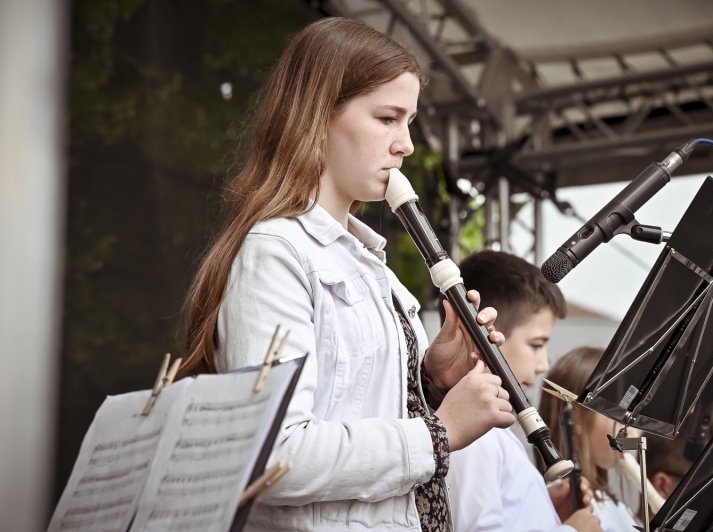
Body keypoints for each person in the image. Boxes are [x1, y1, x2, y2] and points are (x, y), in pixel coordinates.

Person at [178, 17, 514, 532]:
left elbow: (357, 406)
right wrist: (439, 432)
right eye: (387, 118)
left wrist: (431, 379)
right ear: (318, 116)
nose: (405, 144)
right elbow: (275, 459)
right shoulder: (277, 253)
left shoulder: (367, 261)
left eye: (410, 122)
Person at [444, 250, 602, 532]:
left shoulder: (493, 432)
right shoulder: (472, 436)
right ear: (490, 333)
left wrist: (545, 507)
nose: (543, 364)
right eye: (536, 344)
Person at [540, 347, 640, 532]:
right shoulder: (564, 503)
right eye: (621, 419)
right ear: (576, 418)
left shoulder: (612, 503)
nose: (633, 435)